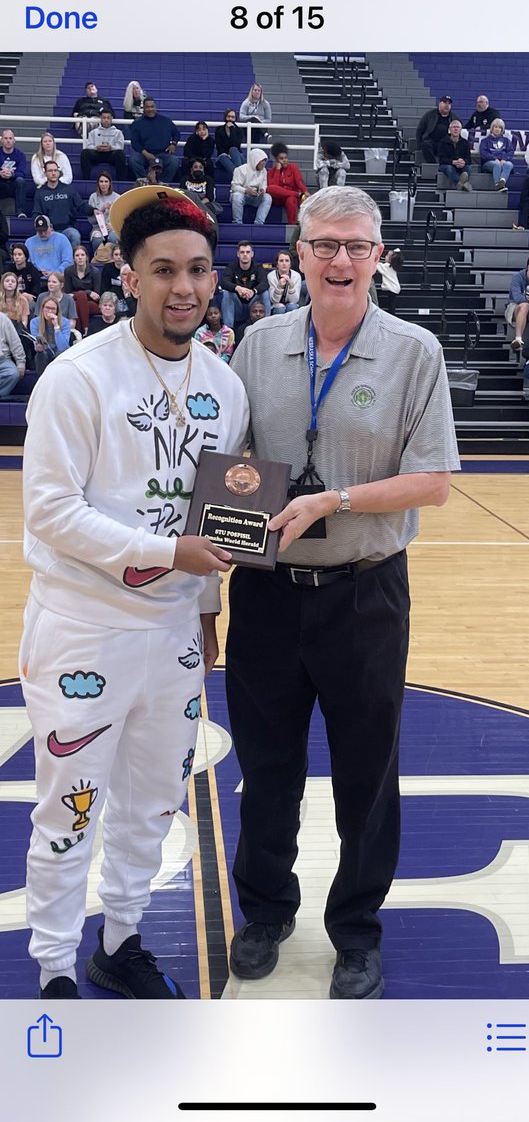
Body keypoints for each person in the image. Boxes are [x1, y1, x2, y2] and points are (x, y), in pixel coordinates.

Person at [226, 185, 459, 1000]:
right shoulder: (256, 345)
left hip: (365, 594)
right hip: (267, 593)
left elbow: (433, 483)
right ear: (298, 253)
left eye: (357, 246)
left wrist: (337, 500)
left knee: (368, 772)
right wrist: (214, 563)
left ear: (378, 256)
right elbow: (234, 469)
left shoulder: (413, 352)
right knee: (265, 765)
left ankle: (356, 931)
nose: (341, 260)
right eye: (325, 244)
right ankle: (263, 911)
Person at [20, 185, 249, 1000]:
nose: (184, 287)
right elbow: (49, 512)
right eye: (163, 271)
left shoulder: (225, 387)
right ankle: (52, 967)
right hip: (84, 630)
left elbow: (217, 514)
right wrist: (166, 550)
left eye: (196, 270)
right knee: (72, 810)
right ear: (129, 276)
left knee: (153, 804)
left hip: (174, 636)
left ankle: (119, 940)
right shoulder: (78, 378)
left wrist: (208, 608)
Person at [33, 162, 94, 249]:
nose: (53, 173)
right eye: (50, 171)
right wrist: (44, 228)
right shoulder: (40, 192)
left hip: (67, 228)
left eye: (55, 170)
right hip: (49, 230)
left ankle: (73, 262)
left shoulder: (68, 189)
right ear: (45, 173)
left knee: (75, 235)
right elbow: (36, 213)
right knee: (38, 236)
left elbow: (81, 205)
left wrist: (93, 210)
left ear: (59, 172)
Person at [221, 240, 271, 331]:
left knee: (265, 293)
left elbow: (265, 283)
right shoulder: (231, 267)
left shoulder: (258, 267)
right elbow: (224, 282)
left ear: (252, 254)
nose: (245, 254)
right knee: (227, 293)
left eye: (247, 252)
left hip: (254, 306)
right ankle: (228, 333)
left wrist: (253, 291)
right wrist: (238, 288)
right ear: (238, 254)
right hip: (237, 308)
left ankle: (266, 327)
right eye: (242, 252)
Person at [128, 98, 180, 183]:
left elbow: (176, 134)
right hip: (144, 154)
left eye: (152, 106)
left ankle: (162, 183)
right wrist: (146, 153)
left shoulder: (166, 121)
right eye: (147, 107)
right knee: (133, 160)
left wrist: (173, 144)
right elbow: (135, 142)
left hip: (163, 154)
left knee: (174, 161)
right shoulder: (137, 123)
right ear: (143, 108)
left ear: (155, 107)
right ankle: (145, 181)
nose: (150, 109)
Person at [29, 294, 71, 375]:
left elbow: (63, 347)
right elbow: (35, 344)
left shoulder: (65, 322)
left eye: (53, 309)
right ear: (42, 308)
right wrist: (38, 347)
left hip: (59, 352)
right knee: (40, 355)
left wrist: (56, 327)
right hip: (44, 352)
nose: (50, 311)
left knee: (60, 353)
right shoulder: (34, 322)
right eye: (47, 308)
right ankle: (41, 382)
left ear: (57, 311)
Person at [64, 245, 102, 334]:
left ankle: (78, 332)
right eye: (77, 256)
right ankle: (86, 329)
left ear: (87, 257)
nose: (80, 258)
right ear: (74, 258)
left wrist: (83, 294)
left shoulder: (95, 271)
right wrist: (88, 292)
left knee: (79, 298)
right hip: (75, 301)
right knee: (80, 296)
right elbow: (68, 293)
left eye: (82, 255)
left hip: (92, 303)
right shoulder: (68, 271)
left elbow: (96, 295)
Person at [267, 143, 308, 225]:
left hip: (291, 197)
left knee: (291, 199)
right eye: (281, 158)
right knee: (269, 188)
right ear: (276, 160)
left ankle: (292, 226)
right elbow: (273, 186)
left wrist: (305, 191)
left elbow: (299, 182)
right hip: (279, 198)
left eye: (286, 158)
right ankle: (298, 194)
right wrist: (277, 170)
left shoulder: (293, 167)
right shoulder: (271, 171)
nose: (285, 160)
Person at [80, 109, 126, 181]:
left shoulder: (118, 132)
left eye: (108, 118)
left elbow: (120, 146)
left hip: (111, 154)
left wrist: (111, 147)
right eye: (104, 118)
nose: (106, 120)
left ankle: (120, 180)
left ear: (111, 119)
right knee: (85, 152)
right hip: (97, 154)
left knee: (120, 154)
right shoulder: (93, 132)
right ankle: (86, 179)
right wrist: (97, 147)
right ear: (101, 119)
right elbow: (89, 145)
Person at [230, 148, 272, 225]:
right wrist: (246, 191)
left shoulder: (264, 171)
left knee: (268, 197)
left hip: (256, 196)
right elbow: (234, 187)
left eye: (265, 161)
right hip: (243, 195)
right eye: (262, 161)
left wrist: (263, 190)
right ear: (255, 160)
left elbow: (264, 184)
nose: (264, 163)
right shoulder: (240, 170)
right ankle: (237, 223)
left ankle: (259, 223)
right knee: (237, 196)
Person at [415, 95, 453, 163]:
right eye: (445, 102)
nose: (447, 105)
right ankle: (433, 165)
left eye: (449, 103)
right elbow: (419, 131)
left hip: (445, 144)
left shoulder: (454, 118)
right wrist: (418, 146)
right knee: (425, 144)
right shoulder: (429, 115)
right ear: (439, 104)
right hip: (431, 143)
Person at [88, 173, 120, 251]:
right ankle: (98, 259)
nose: (103, 184)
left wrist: (113, 226)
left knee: (113, 237)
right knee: (97, 239)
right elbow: (91, 220)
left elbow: (121, 217)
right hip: (97, 228)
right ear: (98, 183)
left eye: (106, 181)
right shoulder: (93, 197)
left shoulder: (117, 197)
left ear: (110, 183)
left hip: (112, 227)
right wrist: (102, 210)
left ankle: (112, 260)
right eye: (101, 181)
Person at [479, 119, 514, 191]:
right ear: (492, 128)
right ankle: (497, 184)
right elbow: (483, 153)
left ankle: (502, 181)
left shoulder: (506, 141)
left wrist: (504, 159)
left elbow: (510, 151)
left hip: (503, 161)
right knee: (496, 165)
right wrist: (495, 159)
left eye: (499, 127)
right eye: (495, 127)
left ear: (502, 129)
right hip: (489, 162)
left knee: (509, 164)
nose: (497, 129)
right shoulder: (485, 141)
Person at [437, 119, 472, 190]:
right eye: (454, 127)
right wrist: (453, 162)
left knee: (468, 167)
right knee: (449, 168)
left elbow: (469, 159)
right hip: (447, 165)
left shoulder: (465, 143)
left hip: (460, 165)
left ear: (461, 130)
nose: (456, 129)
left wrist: (463, 162)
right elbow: (442, 160)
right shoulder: (443, 142)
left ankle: (462, 184)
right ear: (449, 129)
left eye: (457, 127)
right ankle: (460, 184)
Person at [0, 128, 28, 217]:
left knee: (21, 181)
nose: (8, 141)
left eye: (10, 138)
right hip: (1, 183)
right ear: (1, 140)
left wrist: (12, 174)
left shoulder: (20, 155)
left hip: (13, 184)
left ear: (14, 140)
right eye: (6, 138)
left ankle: (20, 212)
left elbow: (22, 172)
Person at [0, 308, 26, 396]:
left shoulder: (3, 319)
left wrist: (21, 362)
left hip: (2, 361)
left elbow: (15, 342)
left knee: (13, 374)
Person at [214, 109, 245, 181]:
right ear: (225, 117)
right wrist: (227, 154)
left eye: (232, 117)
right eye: (228, 116)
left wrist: (232, 129)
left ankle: (237, 179)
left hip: (237, 156)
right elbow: (219, 146)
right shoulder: (219, 130)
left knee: (233, 149)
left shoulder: (239, 130)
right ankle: (241, 178)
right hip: (223, 156)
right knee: (224, 157)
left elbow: (236, 145)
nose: (230, 119)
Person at [372, 248, 403, 315]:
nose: (385, 256)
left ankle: (391, 316)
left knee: (391, 306)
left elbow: (377, 266)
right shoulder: (393, 267)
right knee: (391, 305)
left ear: (390, 259)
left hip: (391, 289)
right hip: (394, 288)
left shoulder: (387, 267)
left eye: (387, 256)